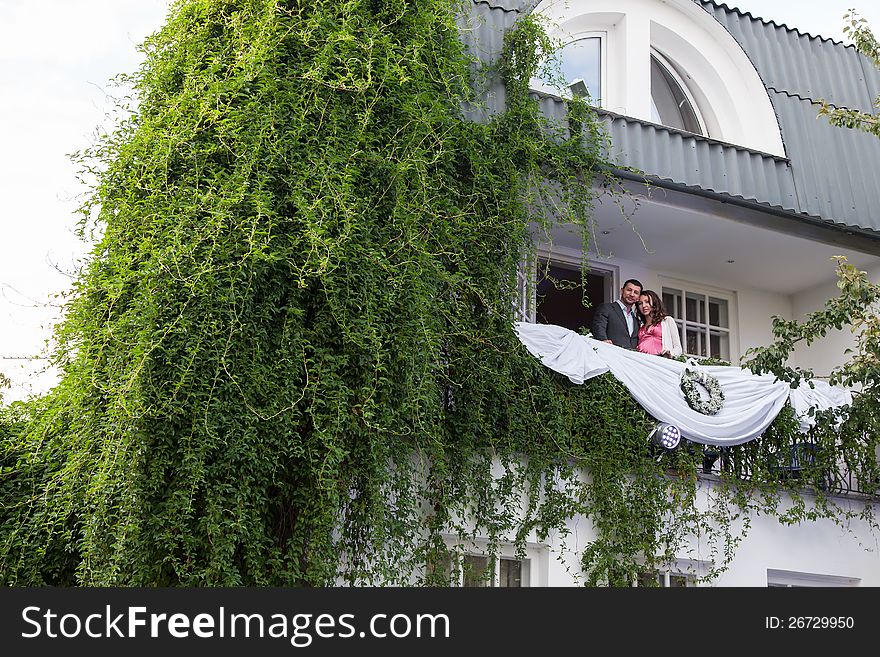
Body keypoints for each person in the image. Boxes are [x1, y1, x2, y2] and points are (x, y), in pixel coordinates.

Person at [590, 278, 642, 349]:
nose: (632, 294)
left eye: (636, 292)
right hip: (610, 354)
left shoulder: (635, 319)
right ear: (622, 291)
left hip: (630, 358)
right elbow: (599, 327)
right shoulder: (607, 308)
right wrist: (603, 341)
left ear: (638, 298)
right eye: (629, 290)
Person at [636, 289, 683, 358]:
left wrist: (670, 354)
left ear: (654, 303)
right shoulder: (640, 326)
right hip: (643, 363)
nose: (643, 306)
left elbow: (678, 348)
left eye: (647, 302)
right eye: (640, 303)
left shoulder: (667, 321)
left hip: (660, 362)